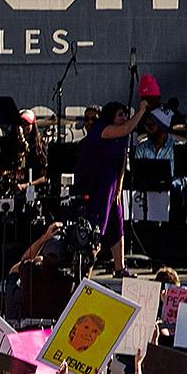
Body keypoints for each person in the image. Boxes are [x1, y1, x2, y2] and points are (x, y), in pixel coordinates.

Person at [72, 100, 143, 274]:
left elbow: (122, 161)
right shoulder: (102, 129)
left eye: (125, 115)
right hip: (97, 183)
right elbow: (126, 128)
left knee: (116, 223)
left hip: (112, 183)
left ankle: (120, 267)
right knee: (96, 225)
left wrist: (119, 186)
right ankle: (85, 270)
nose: (124, 118)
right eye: (120, 115)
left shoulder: (122, 137)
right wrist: (141, 111)